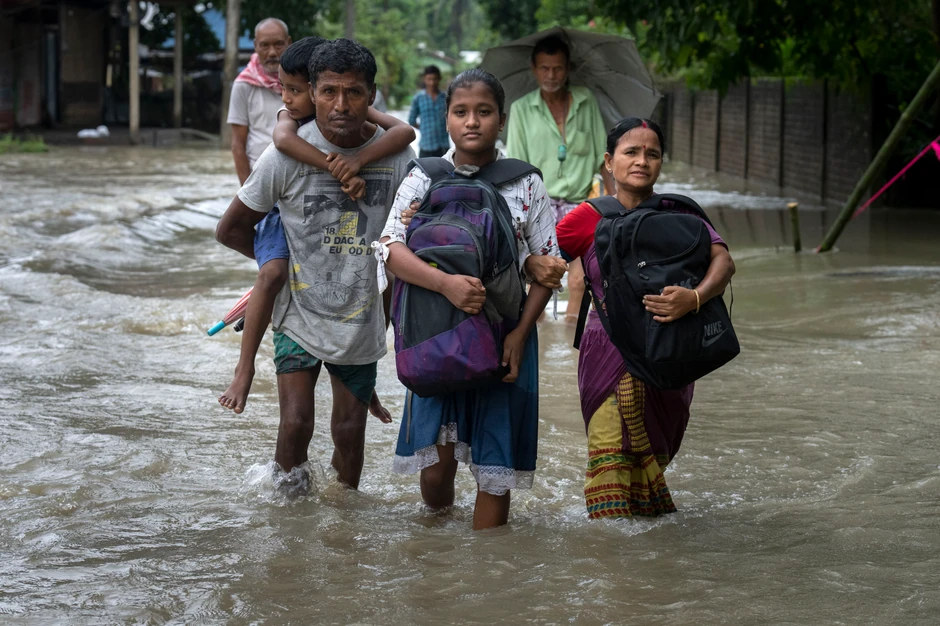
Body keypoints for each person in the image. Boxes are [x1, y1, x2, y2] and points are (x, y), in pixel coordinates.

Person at [215, 39, 415, 493]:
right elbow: (230, 230)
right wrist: (281, 265)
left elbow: (410, 241)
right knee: (295, 425)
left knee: (349, 433)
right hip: (298, 314)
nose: (340, 105)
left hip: (361, 318)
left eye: (354, 93)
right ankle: (288, 525)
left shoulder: (399, 159)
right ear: (312, 90)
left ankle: (344, 527)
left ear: (372, 95)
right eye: (328, 92)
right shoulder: (284, 154)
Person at [380, 69, 561, 530]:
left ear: (502, 120)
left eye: (484, 112)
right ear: (447, 118)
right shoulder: (423, 177)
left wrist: (520, 336)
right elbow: (389, 250)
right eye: (461, 112)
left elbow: (549, 266)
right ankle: (437, 560)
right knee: (437, 469)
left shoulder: (526, 184)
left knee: (493, 472)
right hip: (435, 332)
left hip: (504, 334)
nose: (472, 122)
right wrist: (446, 286)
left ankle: (488, 581)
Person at [555, 118, 735, 519]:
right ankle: (613, 558)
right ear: (608, 161)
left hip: (669, 354)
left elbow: (722, 260)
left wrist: (694, 297)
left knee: (655, 451)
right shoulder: (584, 219)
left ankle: (645, 559)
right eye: (630, 152)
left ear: (660, 163)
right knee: (610, 459)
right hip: (607, 353)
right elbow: (538, 256)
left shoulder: (679, 214)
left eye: (651, 154)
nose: (641, 161)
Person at [505, 35, 614, 323]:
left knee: (580, 282)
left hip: (582, 206)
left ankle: (569, 358)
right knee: (537, 284)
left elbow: (605, 160)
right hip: (537, 206)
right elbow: (516, 167)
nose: (551, 75)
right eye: (545, 68)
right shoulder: (521, 109)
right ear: (534, 69)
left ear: (568, 69)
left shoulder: (586, 101)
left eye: (557, 68)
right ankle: (540, 349)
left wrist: (618, 206)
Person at [228, 18, 291, 185]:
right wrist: (248, 191)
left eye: (278, 44)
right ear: (256, 46)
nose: (271, 53)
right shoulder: (243, 85)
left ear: (289, 43)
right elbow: (238, 144)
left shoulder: (303, 82)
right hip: (261, 179)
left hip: (297, 179)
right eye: (264, 45)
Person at [408, 65, 450, 158]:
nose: (432, 82)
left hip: (443, 146)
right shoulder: (418, 98)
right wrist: (424, 128)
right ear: (424, 79)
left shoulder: (446, 98)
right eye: (429, 79)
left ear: (439, 79)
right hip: (426, 147)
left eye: (435, 79)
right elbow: (411, 120)